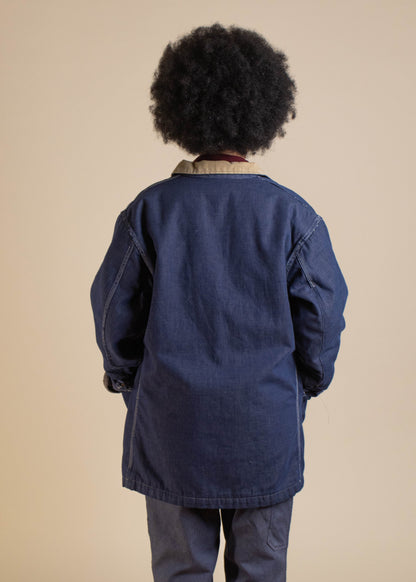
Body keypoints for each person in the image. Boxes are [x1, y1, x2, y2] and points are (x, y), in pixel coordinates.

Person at [90, 23, 348, 582]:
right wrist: (304, 383)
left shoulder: (147, 211)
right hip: (265, 429)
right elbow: (323, 319)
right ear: (263, 114)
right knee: (261, 570)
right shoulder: (294, 216)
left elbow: (112, 313)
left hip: (171, 426)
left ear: (181, 112)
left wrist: (128, 378)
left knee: (179, 571)